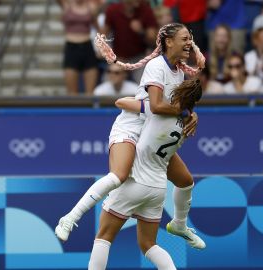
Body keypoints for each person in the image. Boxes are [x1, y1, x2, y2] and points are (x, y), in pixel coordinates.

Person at [55, 23, 206, 250]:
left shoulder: (179, 71)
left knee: (185, 181)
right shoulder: (156, 65)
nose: (189, 43)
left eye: (190, 38)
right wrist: (184, 113)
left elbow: (175, 105)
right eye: (184, 38)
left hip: (152, 135)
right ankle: (70, 217)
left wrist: (191, 114)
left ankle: (179, 225)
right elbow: (156, 105)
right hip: (131, 128)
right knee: (119, 175)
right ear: (169, 42)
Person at [88, 79, 203, 270]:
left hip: (136, 181)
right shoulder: (187, 122)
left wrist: (155, 103)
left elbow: (121, 103)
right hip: (157, 188)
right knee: (148, 244)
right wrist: (189, 112)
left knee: (103, 237)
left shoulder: (156, 112)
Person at [102, 0, 158, 83]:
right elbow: (103, 35)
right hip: (118, 58)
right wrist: (105, 51)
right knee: (107, 84)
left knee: (146, 84)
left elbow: (153, 40)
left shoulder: (146, 10)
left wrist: (141, 31)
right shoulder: (113, 10)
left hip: (139, 58)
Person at [58, 0, 101, 95]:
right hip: (71, 47)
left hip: (87, 47)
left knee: (90, 93)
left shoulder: (91, 7)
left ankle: (90, 109)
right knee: (72, 93)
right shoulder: (67, 5)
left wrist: (101, 48)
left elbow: (98, 29)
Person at [244, 27, 263, 92]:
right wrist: (255, 69)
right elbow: (245, 77)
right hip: (251, 91)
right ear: (256, 40)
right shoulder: (248, 56)